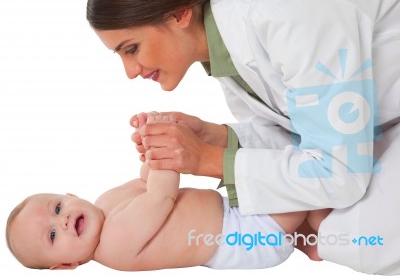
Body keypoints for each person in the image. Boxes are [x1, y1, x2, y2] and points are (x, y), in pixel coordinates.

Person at [86, 0, 400, 274]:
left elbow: (341, 174)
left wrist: (208, 160)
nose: (130, 72)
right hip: (380, 122)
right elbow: (300, 133)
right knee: (337, 231)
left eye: (132, 49)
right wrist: (216, 136)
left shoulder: (287, 14)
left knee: (357, 239)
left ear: (178, 14)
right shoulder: (226, 58)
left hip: (379, 126)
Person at [6, 115, 330, 271]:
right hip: (244, 234)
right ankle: (317, 216)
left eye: (58, 208)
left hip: (232, 212)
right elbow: (161, 196)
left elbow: (147, 181)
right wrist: (166, 149)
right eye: (51, 235)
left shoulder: (105, 204)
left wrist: (149, 146)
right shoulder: (114, 245)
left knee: (269, 178)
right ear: (66, 265)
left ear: (71, 194)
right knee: (292, 185)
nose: (61, 221)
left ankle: (307, 240)